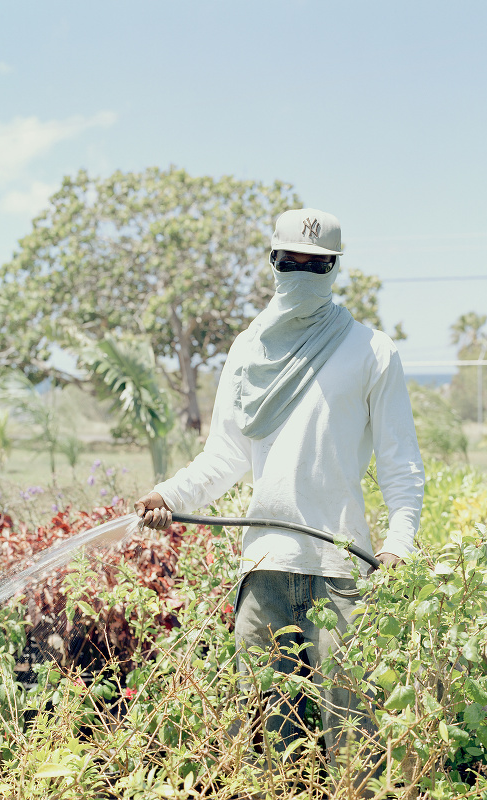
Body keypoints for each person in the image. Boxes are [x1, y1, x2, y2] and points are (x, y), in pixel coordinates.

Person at [135, 208, 425, 782]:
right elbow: (226, 456)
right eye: (289, 261)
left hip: (342, 574)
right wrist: (169, 493)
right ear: (273, 263)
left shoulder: (371, 351)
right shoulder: (247, 350)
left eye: (315, 265)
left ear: (334, 268)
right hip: (264, 572)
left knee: (355, 751)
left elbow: (401, 463)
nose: (300, 271)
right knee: (271, 752)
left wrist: (400, 540)